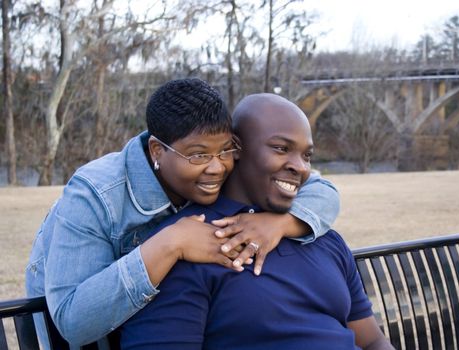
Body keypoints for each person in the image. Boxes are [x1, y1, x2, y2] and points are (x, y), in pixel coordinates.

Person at [25, 79, 340, 347]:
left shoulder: (214, 163)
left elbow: (321, 189)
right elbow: (72, 321)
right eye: (199, 155)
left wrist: (280, 224)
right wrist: (170, 243)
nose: (217, 167)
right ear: (158, 151)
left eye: (226, 151)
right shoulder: (95, 193)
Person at [120, 93, 392, 350]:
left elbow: (373, 342)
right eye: (281, 148)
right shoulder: (185, 246)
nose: (300, 167)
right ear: (234, 148)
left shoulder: (321, 237)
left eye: (306, 155)